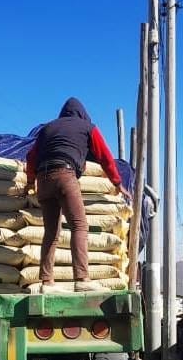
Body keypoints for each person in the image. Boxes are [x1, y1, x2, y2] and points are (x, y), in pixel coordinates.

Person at [25, 98, 131, 293]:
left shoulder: (47, 129)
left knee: (51, 233)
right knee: (79, 226)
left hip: (43, 179)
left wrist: (30, 182)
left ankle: (46, 282)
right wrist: (117, 182)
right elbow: (105, 157)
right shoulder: (88, 127)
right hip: (65, 174)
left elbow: (31, 156)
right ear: (82, 113)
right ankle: (82, 278)